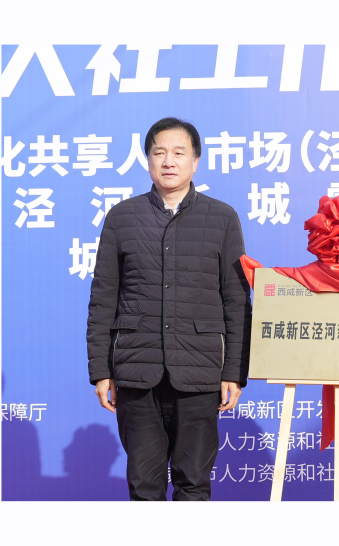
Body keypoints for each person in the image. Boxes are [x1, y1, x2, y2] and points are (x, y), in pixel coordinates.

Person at [86, 117, 252, 501]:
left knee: (193, 483)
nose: (168, 161)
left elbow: (236, 299)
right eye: (159, 152)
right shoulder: (122, 218)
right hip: (136, 372)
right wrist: (101, 370)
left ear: (195, 161)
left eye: (179, 152)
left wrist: (234, 372)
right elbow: (104, 297)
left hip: (200, 372)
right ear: (148, 160)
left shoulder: (222, 218)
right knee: (144, 486)